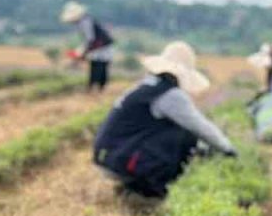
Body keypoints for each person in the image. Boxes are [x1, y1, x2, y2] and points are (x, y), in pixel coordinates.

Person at [93, 41, 236, 198]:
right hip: (120, 162)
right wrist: (228, 149)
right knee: (184, 135)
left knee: (174, 131)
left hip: (109, 156)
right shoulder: (170, 95)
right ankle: (148, 189)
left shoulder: (147, 86)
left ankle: (137, 185)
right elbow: (199, 126)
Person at [61, 1, 114, 92]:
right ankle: (96, 88)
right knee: (99, 66)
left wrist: (83, 52)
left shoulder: (85, 22)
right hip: (100, 45)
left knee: (98, 66)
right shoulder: (86, 20)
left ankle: (95, 88)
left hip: (100, 46)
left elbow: (90, 39)